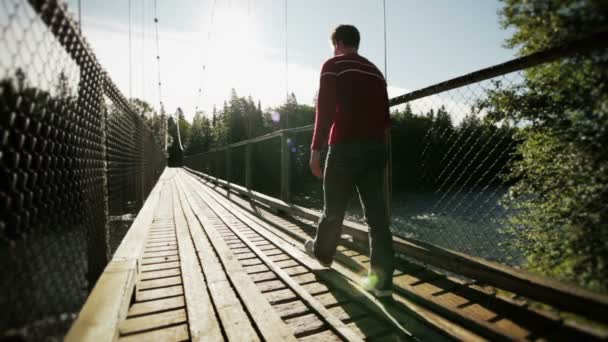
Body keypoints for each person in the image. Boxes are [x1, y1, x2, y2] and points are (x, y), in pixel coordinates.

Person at [304, 24, 395, 298]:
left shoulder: (333, 65)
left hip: (344, 147)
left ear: (338, 43)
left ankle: (322, 254)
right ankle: (383, 284)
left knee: (333, 209)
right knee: (377, 219)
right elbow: (385, 121)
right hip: (376, 149)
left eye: (334, 45)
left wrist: (315, 150)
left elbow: (326, 110)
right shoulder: (376, 73)